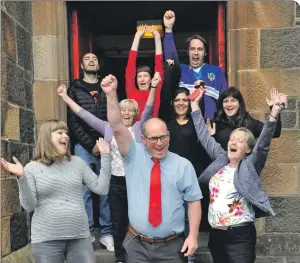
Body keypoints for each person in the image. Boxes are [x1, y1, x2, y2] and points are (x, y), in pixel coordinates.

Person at [57, 71, 161, 263]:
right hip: (115, 181)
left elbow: (149, 106)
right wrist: (64, 97)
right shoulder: (107, 127)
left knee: (138, 220)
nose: (127, 113)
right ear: (118, 112)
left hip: (137, 181)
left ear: (135, 114)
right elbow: (83, 114)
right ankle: (121, 257)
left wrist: (153, 87)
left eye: (130, 110)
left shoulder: (140, 127)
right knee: (118, 221)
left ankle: (139, 256)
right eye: (123, 110)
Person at [100, 74, 203, 263]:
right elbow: (116, 126)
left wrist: (194, 235)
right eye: (153, 138)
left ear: (169, 136)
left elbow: (194, 202)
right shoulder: (133, 155)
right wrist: (111, 94)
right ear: (143, 139)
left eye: (163, 137)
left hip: (172, 246)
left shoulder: (183, 165)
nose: (159, 143)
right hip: (137, 245)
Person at [189, 88, 288, 263]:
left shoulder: (250, 165)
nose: (233, 142)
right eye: (232, 139)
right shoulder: (221, 158)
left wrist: (274, 112)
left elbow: (264, 142)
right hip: (216, 235)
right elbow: (204, 137)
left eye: (240, 141)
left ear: (248, 149)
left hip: (240, 237)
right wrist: (195, 106)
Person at [1, 120, 112, 263]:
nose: (65, 136)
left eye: (66, 133)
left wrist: (106, 157)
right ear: (47, 137)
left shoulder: (77, 163)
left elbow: (102, 188)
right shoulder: (32, 168)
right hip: (46, 242)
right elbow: (29, 206)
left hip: (80, 239)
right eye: (59, 132)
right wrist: (21, 177)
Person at [159, 59, 210, 263]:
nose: (181, 103)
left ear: (190, 103)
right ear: (172, 103)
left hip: (191, 177)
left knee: (190, 218)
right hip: (170, 177)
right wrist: (170, 70)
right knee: (173, 215)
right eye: (177, 100)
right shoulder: (167, 123)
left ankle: (189, 257)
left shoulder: (197, 122)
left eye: (185, 100)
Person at [67, 52, 114, 250]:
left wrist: (105, 142)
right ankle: (86, 233)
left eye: (95, 58)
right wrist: (90, 144)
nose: (92, 60)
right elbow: (73, 121)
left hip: (107, 144)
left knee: (106, 190)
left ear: (98, 64)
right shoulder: (75, 89)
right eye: (87, 58)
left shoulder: (106, 88)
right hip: (83, 147)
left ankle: (106, 233)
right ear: (81, 64)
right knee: (85, 191)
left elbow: (113, 115)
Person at [163, 10, 228, 120]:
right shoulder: (181, 70)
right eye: (192, 49)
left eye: (200, 49)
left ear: (205, 53)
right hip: (186, 126)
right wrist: (168, 29)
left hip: (210, 127)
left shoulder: (216, 71)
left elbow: (225, 100)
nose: (196, 52)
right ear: (188, 52)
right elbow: (171, 58)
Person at [206, 87, 282, 150]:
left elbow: (275, 132)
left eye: (233, 100)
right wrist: (212, 137)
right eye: (226, 101)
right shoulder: (215, 124)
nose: (229, 104)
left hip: (244, 167)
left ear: (239, 104)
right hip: (221, 167)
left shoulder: (250, 123)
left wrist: (274, 109)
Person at [126, 25, 164, 120]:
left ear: (151, 80)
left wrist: (157, 38)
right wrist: (137, 37)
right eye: (139, 76)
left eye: (145, 76)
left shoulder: (155, 91)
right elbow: (130, 67)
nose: (142, 79)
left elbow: (159, 65)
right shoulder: (132, 92)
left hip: (152, 131)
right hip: (135, 131)